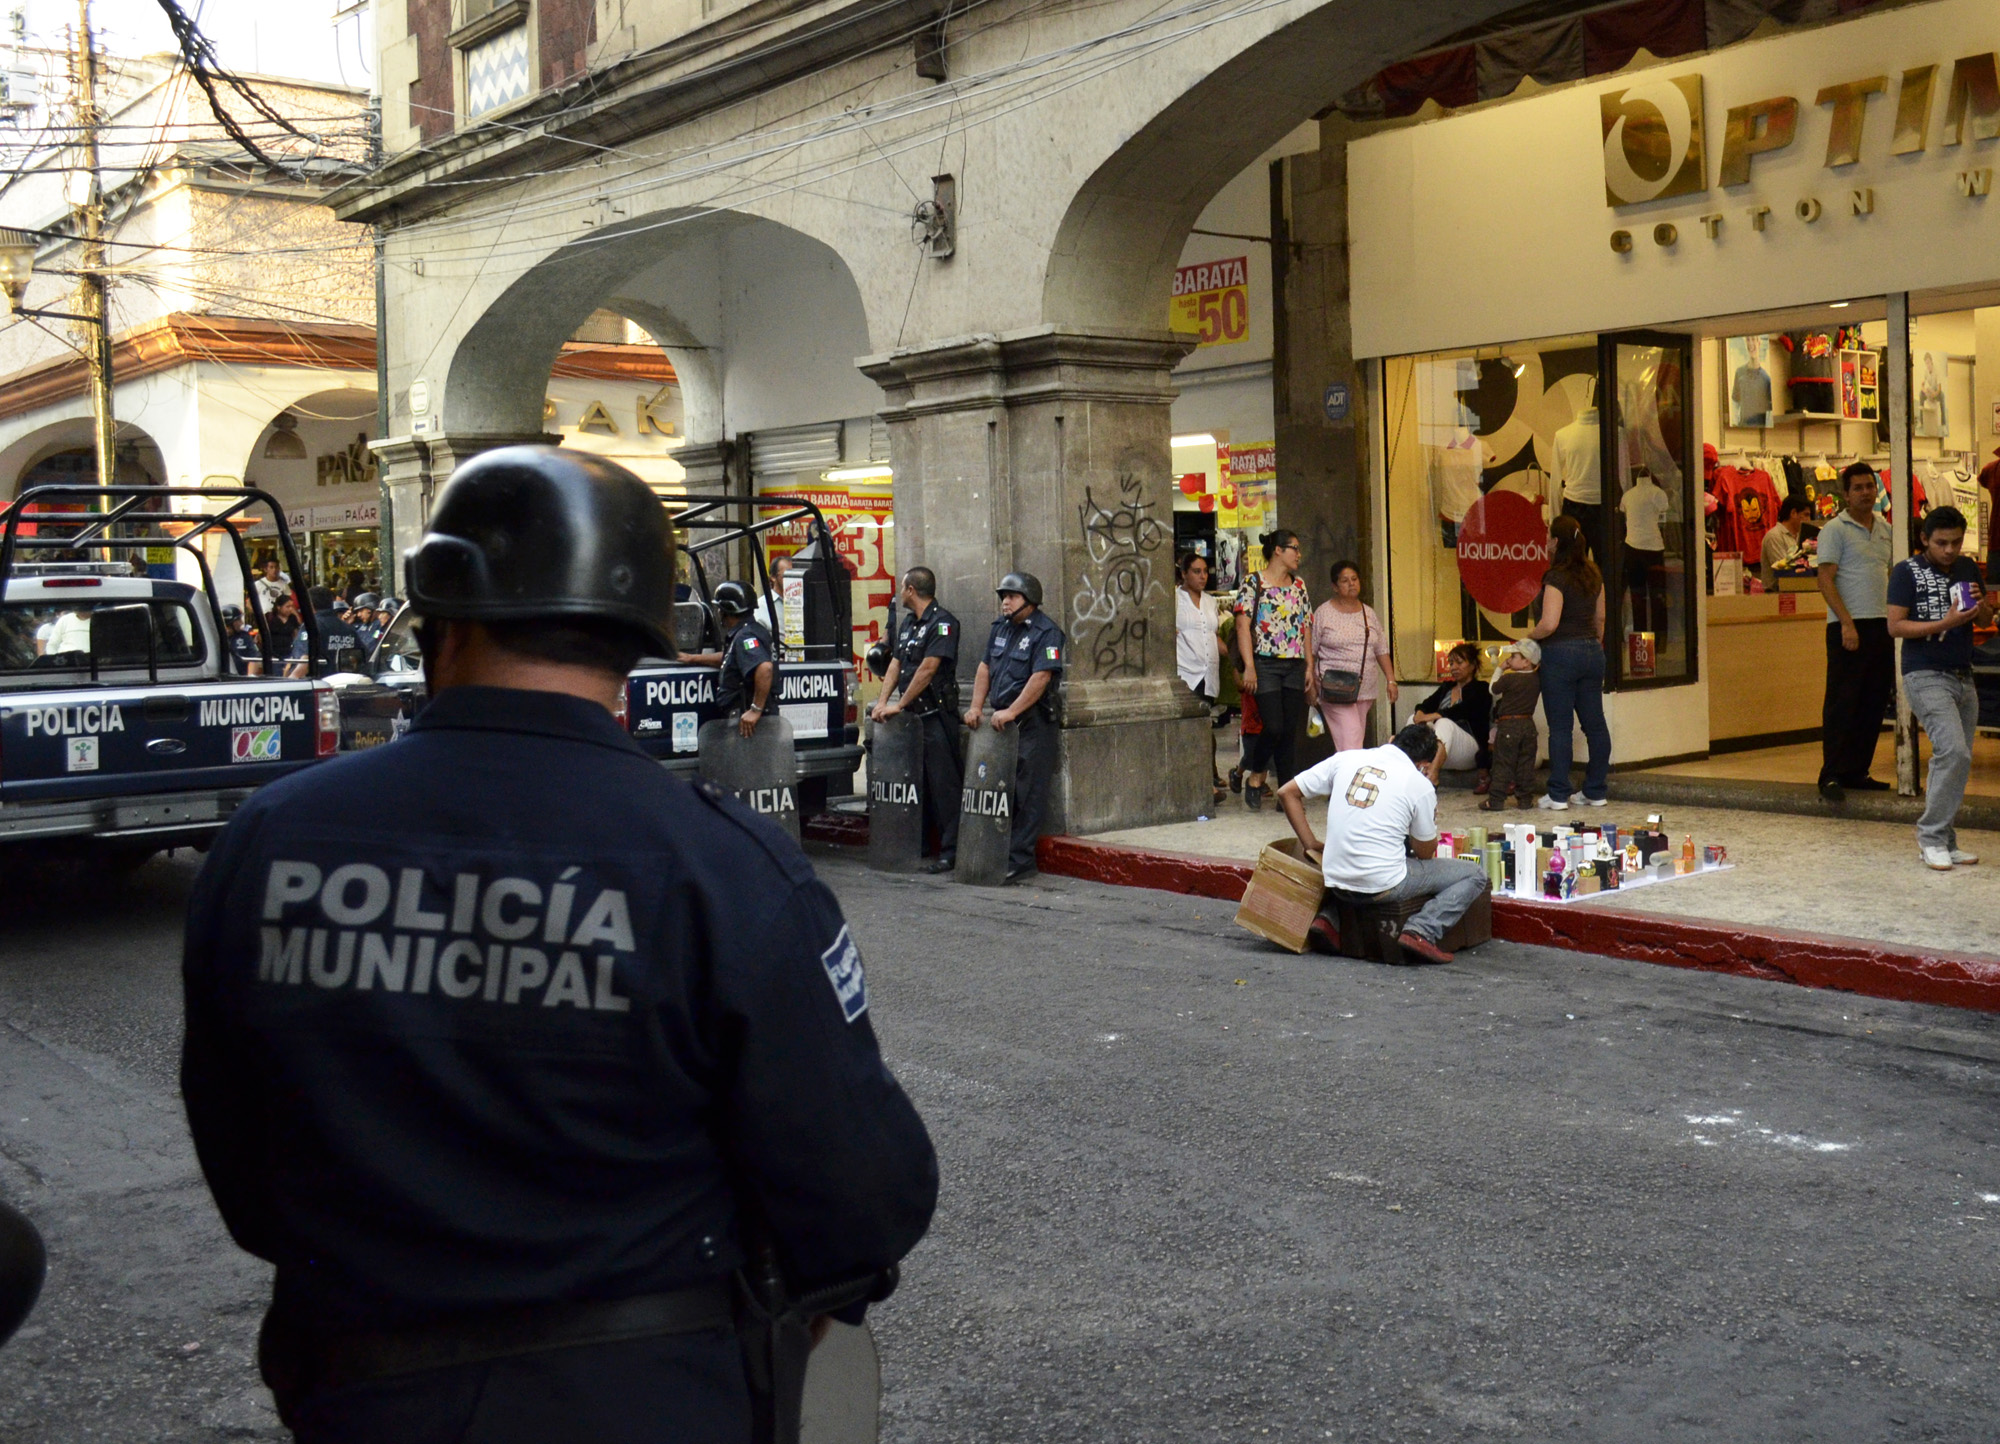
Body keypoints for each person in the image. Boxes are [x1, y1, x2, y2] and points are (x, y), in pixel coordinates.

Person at [179, 446, 937, 1442]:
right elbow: (863, 1194)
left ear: (439, 611)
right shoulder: (722, 868)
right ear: (639, 633)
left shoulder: (272, 839)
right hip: (645, 1393)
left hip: (360, 1388)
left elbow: (239, 1154)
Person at [1276, 722, 1491, 966]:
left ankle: (1330, 918)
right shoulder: (1419, 783)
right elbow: (1424, 853)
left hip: (1334, 878)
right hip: (1383, 885)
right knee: (1474, 875)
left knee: (1364, 863)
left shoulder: (1346, 759)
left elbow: (1286, 792)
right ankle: (1422, 930)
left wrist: (1310, 843)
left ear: (1391, 740)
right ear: (1424, 764)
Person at [1887, 505, 1994, 870]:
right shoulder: (1906, 571)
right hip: (1924, 672)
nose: (1949, 550)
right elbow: (1895, 626)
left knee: (1958, 760)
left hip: (1963, 673)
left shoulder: (1966, 567)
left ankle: (1946, 839)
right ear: (1924, 539)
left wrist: (1981, 607)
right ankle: (1931, 837)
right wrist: (1944, 623)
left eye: (1956, 542)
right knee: (1953, 751)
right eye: (1941, 543)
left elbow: (1985, 618)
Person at [963, 571, 1064, 883]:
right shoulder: (1000, 628)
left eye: (1012, 596)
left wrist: (1012, 711)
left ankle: (1020, 860)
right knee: (1000, 790)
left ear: (1030, 599)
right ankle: (996, 851)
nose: (1005, 602)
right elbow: (985, 667)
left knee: (1027, 793)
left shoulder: (1047, 632)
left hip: (1033, 724)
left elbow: (1041, 677)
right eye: (1003, 596)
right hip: (1002, 724)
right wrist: (976, 706)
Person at [870, 566, 962, 874]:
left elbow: (928, 669)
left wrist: (899, 704)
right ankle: (920, 843)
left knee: (944, 785)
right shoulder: (908, 623)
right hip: (911, 718)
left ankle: (950, 852)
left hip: (935, 715)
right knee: (915, 783)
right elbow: (895, 664)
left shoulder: (943, 623)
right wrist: (883, 702)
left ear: (911, 590)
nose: (899, 592)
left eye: (902, 587)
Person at [1815, 461, 1895, 802]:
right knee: (1843, 702)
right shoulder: (1835, 529)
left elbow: (1891, 575)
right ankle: (1831, 774)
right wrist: (1846, 623)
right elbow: (1825, 579)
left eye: (1869, 486)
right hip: (1847, 625)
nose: (1865, 492)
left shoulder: (1886, 529)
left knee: (1873, 701)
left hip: (1882, 625)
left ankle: (1857, 770)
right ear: (1846, 495)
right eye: (1858, 487)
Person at [1526, 513, 1610, 809]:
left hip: (1560, 654)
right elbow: (1600, 618)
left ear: (1556, 542)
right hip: (1592, 652)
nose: (1546, 542)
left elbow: (1549, 623)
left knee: (1561, 727)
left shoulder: (1556, 577)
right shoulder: (1594, 573)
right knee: (1595, 725)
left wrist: (1528, 638)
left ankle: (1559, 793)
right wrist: (1592, 643)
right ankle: (1595, 791)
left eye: (1548, 537)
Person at [1233, 530, 1316, 809]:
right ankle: (1256, 773)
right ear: (1278, 550)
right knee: (1273, 726)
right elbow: (1242, 625)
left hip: (1294, 664)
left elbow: (1305, 626)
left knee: (1288, 732)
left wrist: (1309, 665)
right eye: (1294, 548)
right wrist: (1249, 666)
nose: (1299, 554)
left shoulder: (1299, 585)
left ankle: (1286, 794)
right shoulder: (1253, 582)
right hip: (1265, 664)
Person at [1311, 560, 1395, 753]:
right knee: (1352, 735)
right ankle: (1353, 771)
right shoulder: (1324, 613)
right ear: (1335, 586)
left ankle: (1345, 771)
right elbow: (1311, 650)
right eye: (1345, 580)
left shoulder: (1368, 613)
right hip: (1334, 687)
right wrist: (1309, 682)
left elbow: (1381, 649)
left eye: (1354, 579)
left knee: (1351, 740)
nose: (1351, 584)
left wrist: (1391, 680)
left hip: (1364, 689)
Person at [684, 580, 777, 739]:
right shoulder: (752, 631)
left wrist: (755, 710)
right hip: (752, 722)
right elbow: (732, 658)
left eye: (720, 609)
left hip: (748, 725)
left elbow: (765, 668)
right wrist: (692, 658)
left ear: (726, 611)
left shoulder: (745, 637)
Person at [1174, 552, 1224, 797]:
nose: (1202, 576)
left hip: (1208, 672)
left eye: (1205, 571)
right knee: (1193, 728)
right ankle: (1205, 784)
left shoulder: (1210, 601)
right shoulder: (1175, 599)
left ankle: (1208, 778)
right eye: (1196, 571)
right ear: (1184, 573)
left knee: (1205, 725)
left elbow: (1213, 635)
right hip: (1186, 671)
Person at [1410, 641, 1490, 787]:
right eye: (1451, 663)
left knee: (1444, 723)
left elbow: (1465, 709)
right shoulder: (1447, 687)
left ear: (1473, 665)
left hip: (1468, 751)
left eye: (1459, 662)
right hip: (1442, 751)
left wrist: (1435, 715)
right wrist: (1420, 714)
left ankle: (1433, 774)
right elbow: (1425, 704)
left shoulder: (1481, 688)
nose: (1454, 667)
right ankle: (1412, 771)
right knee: (1413, 719)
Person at [1480, 639, 1542, 811]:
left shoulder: (1509, 678)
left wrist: (1500, 668)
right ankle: (1525, 800)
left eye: (1514, 656)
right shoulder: (1536, 679)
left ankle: (1496, 800)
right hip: (1528, 725)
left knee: (1503, 763)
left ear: (1526, 661)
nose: (1509, 659)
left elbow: (1493, 689)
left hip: (1509, 725)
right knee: (1526, 764)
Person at [286, 586, 365, 678]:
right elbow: (361, 657)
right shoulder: (349, 629)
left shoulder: (311, 627)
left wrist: (292, 680)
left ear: (310, 604)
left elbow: (306, 660)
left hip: (317, 683)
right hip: (345, 682)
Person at [1760, 495, 1810, 588]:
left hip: (1798, 588)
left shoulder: (1800, 536)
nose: (1808, 520)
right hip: (1776, 593)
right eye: (1806, 515)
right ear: (1793, 513)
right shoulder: (1774, 536)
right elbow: (1783, 570)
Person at [221, 605, 263, 677]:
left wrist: (250, 677)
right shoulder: (217, 637)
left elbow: (253, 658)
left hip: (241, 677)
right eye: (239, 620)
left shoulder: (244, 637)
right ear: (230, 622)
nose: (242, 623)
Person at [349, 593, 383, 660]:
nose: (358, 615)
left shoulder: (379, 625)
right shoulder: (363, 626)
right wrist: (347, 625)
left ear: (370, 608)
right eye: (357, 612)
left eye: (361, 610)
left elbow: (370, 646)